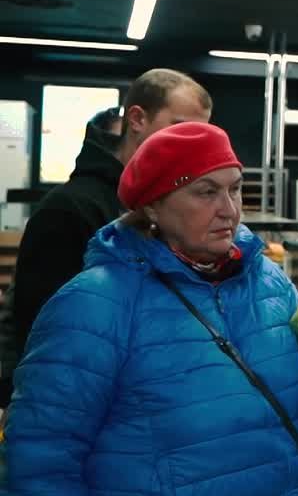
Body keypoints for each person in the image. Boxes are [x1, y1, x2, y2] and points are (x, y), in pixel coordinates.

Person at [0, 122, 298, 496]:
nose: (230, 210)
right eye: (206, 192)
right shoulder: (93, 305)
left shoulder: (271, 284)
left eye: (235, 189)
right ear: (153, 205)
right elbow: (39, 462)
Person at [0, 69, 212, 406]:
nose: (191, 144)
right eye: (179, 127)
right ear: (137, 119)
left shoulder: (170, 209)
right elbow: (43, 329)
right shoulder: (70, 208)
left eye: (200, 134)